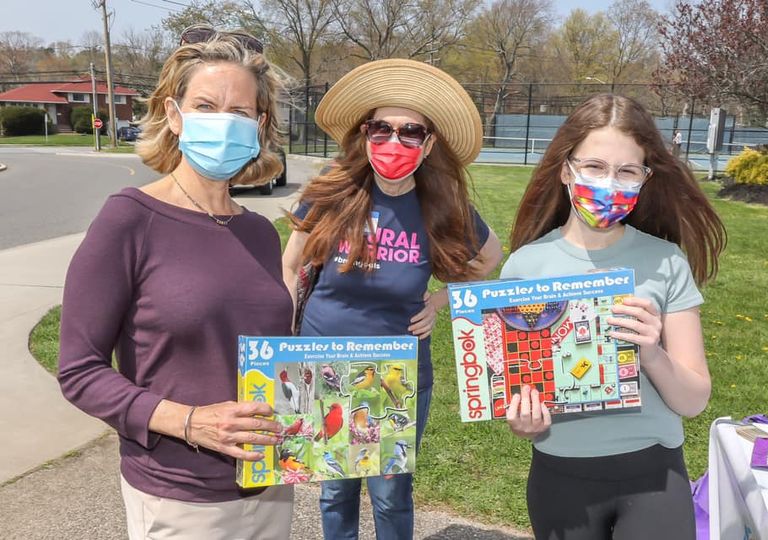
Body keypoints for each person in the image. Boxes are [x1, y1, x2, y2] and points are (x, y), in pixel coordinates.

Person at [58, 30, 295, 539]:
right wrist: (190, 422)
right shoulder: (129, 219)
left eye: (239, 112)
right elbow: (79, 370)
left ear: (259, 125)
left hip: (270, 482)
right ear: (174, 114)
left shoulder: (258, 232)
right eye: (206, 105)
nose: (223, 122)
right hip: (178, 495)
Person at [281, 58, 503, 540]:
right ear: (365, 135)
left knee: (390, 491)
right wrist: (285, 331)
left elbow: (490, 259)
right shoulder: (333, 190)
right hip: (323, 360)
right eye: (381, 128)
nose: (393, 142)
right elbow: (290, 260)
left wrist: (441, 302)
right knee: (335, 488)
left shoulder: (442, 205)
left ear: (429, 144)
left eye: (410, 132)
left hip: (397, 372)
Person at [501, 94, 726, 540]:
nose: (610, 183)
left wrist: (652, 353)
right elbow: (518, 395)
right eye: (595, 167)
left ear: (645, 178)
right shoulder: (524, 268)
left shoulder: (665, 262)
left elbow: (694, 400)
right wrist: (523, 420)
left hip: (654, 475)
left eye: (627, 171)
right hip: (559, 477)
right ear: (566, 169)